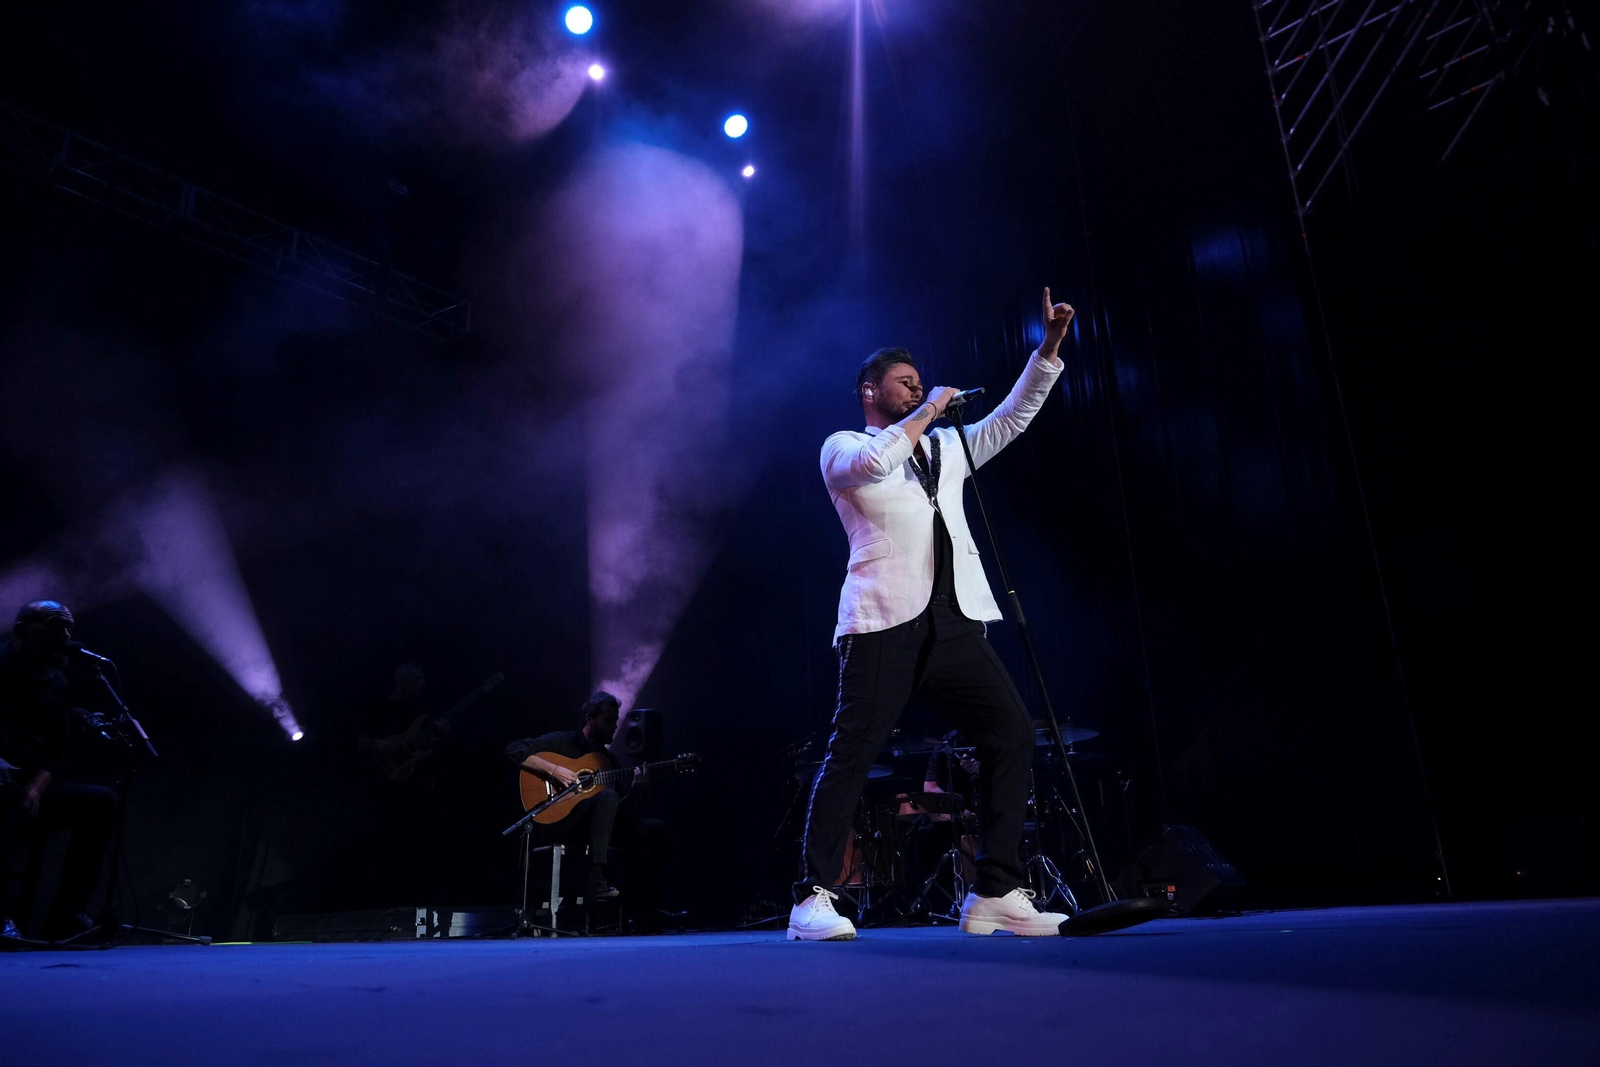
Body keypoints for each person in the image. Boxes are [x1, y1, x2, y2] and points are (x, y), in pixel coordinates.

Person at [788, 287, 1075, 941]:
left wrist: (1049, 348)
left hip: (952, 621)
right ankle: (812, 896)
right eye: (904, 383)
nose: (918, 389)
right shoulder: (843, 447)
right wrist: (925, 415)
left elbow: (1011, 418)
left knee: (1010, 732)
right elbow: (874, 460)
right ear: (870, 390)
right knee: (853, 752)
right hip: (883, 621)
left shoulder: (945, 449)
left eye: (921, 383)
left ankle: (996, 890)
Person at [0, 601, 116, 944]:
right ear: (23, 629)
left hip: (25, 789)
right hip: (1, 786)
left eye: (68, 628)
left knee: (102, 802)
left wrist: (36, 788)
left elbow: (59, 751)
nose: (65, 635)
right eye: (55, 626)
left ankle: (66, 914)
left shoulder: (56, 681)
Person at [504, 692, 667, 912]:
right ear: (590, 719)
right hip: (557, 822)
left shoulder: (609, 761)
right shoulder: (562, 741)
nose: (614, 726)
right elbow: (514, 750)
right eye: (608, 720)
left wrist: (636, 792)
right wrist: (555, 770)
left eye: (615, 720)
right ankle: (595, 882)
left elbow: (615, 814)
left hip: (591, 829)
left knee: (653, 828)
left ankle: (648, 908)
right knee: (608, 796)